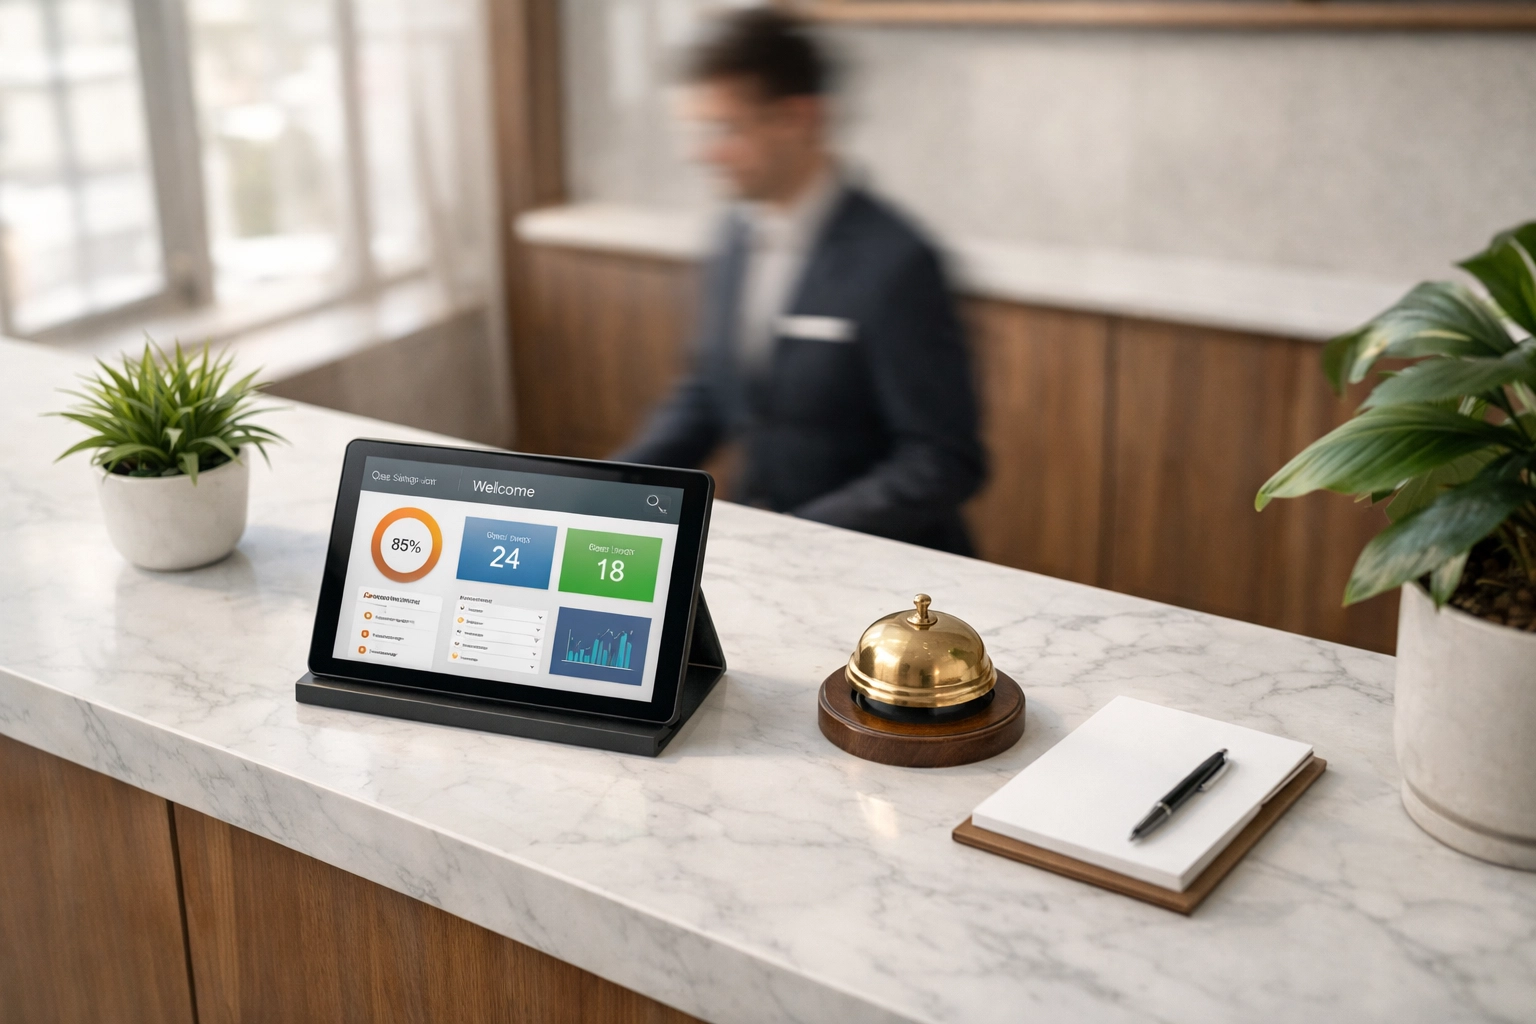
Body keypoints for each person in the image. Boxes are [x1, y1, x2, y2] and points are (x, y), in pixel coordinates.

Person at [615, 8, 986, 555]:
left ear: (798, 118)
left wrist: (798, 537)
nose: (701, 153)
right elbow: (711, 392)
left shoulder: (899, 262)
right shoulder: (732, 235)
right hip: (766, 552)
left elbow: (942, 460)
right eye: (697, 131)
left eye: (724, 129)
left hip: (884, 571)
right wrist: (610, 486)